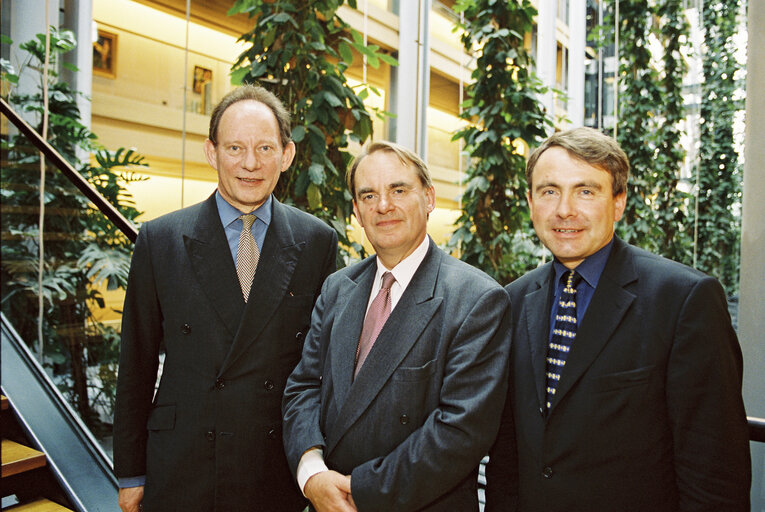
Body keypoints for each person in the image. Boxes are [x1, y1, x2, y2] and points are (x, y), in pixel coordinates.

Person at [485, 127, 751, 511]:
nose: (564, 210)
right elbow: (507, 456)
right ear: (530, 202)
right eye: (549, 191)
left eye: (586, 191)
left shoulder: (684, 300)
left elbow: (714, 473)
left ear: (619, 202)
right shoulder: (513, 300)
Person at [113, 85, 338, 512]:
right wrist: (131, 472)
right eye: (235, 147)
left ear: (287, 155)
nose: (250, 163)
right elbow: (136, 363)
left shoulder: (316, 241)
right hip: (183, 463)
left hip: (272, 466)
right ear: (211, 152)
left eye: (265, 148)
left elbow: (323, 370)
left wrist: (317, 462)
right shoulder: (160, 240)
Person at [282, 141, 512, 511]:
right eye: (368, 195)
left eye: (398, 190)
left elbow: (460, 431)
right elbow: (304, 386)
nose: (383, 206)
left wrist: (357, 492)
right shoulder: (337, 288)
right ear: (356, 211)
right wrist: (312, 474)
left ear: (429, 197)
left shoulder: (477, 299)